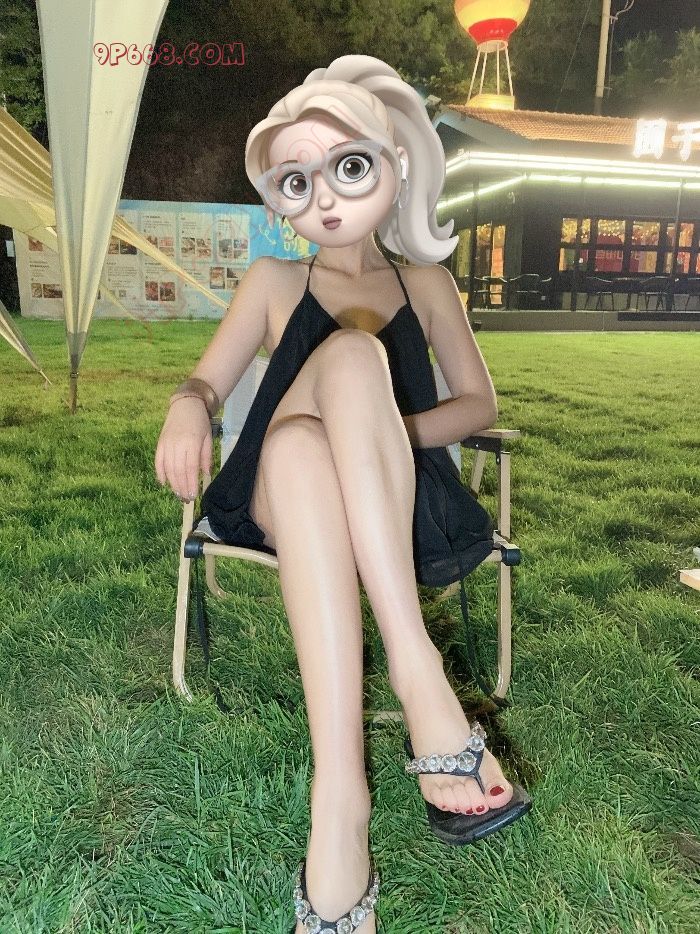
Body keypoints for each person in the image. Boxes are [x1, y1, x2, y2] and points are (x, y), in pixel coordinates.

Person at [155, 54, 528, 934]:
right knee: (341, 369)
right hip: (268, 500)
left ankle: (341, 803)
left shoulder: (426, 284)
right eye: (296, 181)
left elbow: (478, 404)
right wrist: (188, 404)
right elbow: (208, 380)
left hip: (391, 496)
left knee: (316, 430)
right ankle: (417, 674)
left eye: (347, 166)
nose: (322, 198)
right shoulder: (274, 281)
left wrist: (384, 431)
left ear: (394, 163)